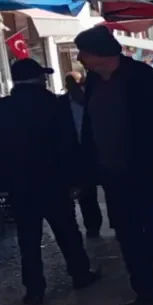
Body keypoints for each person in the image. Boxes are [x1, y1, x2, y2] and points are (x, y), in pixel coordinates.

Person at [75, 26, 153, 305]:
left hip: (148, 173)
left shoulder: (143, 78)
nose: (79, 58)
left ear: (100, 53)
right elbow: (90, 126)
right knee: (128, 235)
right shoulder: (94, 81)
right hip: (113, 174)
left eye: (83, 52)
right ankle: (146, 290)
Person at [0, 58, 101, 305]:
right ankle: (80, 274)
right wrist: (78, 179)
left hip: (19, 185)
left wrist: (3, 176)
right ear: (39, 79)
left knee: (28, 237)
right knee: (67, 231)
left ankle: (34, 289)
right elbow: (69, 145)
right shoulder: (55, 105)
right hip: (54, 182)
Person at [58, 70, 104, 237]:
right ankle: (92, 225)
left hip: (99, 150)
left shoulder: (96, 99)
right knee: (86, 191)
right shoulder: (61, 104)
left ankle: (116, 222)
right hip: (78, 153)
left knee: (109, 188)